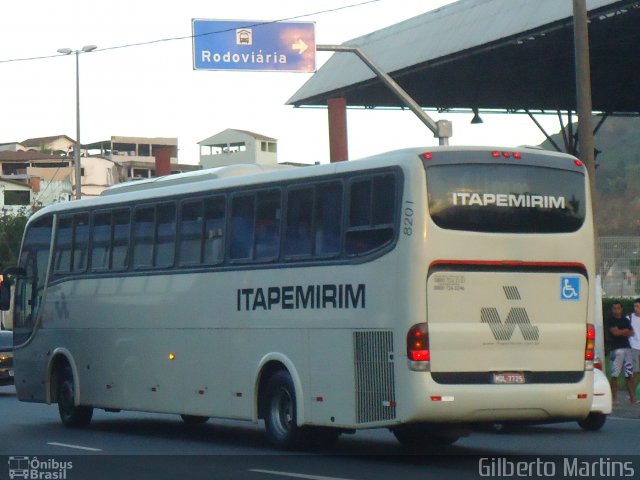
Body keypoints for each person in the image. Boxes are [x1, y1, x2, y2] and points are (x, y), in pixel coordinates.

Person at [605, 301, 637, 404]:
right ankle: (614, 399)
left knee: (629, 374)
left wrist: (621, 331)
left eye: (618, 308)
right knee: (615, 375)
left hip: (627, 348)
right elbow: (615, 333)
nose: (616, 310)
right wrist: (624, 332)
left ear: (621, 309)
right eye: (614, 308)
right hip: (616, 349)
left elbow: (631, 332)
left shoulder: (625, 320)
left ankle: (632, 398)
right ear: (612, 309)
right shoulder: (610, 320)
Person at [628, 298, 640, 382]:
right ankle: (632, 392)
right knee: (634, 371)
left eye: (638, 306)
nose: (636, 308)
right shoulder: (629, 317)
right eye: (635, 306)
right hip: (633, 346)